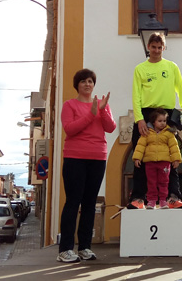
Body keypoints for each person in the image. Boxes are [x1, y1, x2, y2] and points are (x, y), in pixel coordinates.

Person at [58, 68, 116, 263]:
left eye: (90, 81)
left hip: (97, 157)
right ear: (77, 85)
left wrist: (102, 111)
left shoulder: (101, 105)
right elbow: (70, 129)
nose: (87, 84)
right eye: (83, 81)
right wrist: (91, 115)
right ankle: (65, 248)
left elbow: (110, 127)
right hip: (75, 157)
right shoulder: (69, 105)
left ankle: (84, 247)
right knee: (73, 201)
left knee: (90, 203)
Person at [129, 32, 182, 209]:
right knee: (140, 155)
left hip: (167, 114)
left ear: (163, 48)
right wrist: (139, 119)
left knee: (171, 156)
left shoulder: (172, 67)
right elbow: (136, 96)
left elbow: (180, 89)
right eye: (153, 47)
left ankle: (173, 197)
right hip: (146, 113)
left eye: (160, 47)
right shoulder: (140, 69)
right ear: (148, 47)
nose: (156, 51)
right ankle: (139, 199)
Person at [132, 109, 182, 209]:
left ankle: (163, 200)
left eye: (164, 121)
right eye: (160, 121)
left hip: (164, 163)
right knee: (151, 182)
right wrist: (137, 158)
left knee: (164, 182)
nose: (162, 123)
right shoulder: (147, 132)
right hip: (150, 162)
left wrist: (176, 159)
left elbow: (174, 147)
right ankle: (151, 201)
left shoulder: (169, 133)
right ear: (153, 122)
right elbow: (140, 146)